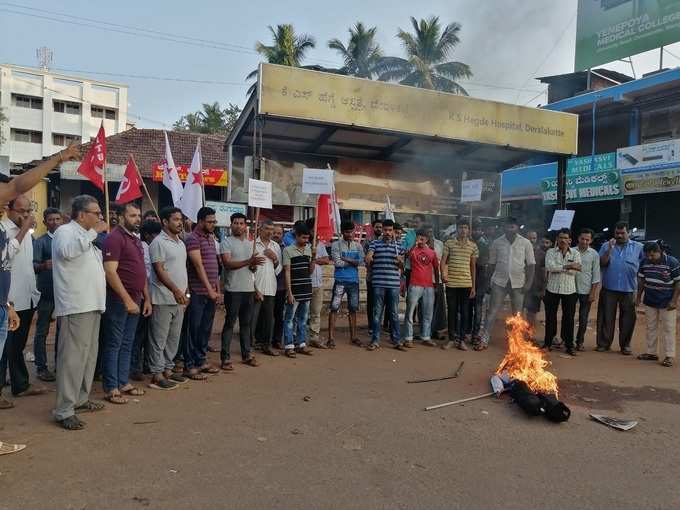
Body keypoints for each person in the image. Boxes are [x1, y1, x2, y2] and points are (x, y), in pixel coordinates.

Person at [52, 195, 108, 430]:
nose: (100, 217)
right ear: (82, 214)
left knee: (88, 358)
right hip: (76, 306)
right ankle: (64, 410)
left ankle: (81, 399)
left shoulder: (86, 237)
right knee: (73, 360)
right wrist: (94, 232)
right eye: (96, 213)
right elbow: (67, 252)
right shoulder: (66, 232)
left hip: (92, 305)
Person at [101, 203, 151, 404]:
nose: (137, 219)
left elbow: (141, 272)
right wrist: (127, 299)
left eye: (138, 215)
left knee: (128, 342)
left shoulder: (135, 239)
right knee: (114, 342)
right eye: (132, 215)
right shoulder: (114, 238)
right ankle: (111, 386)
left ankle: (123, 382)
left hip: (136, 297)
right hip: (119, 299)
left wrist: (146, 297)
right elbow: (110, 272)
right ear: (121, 217)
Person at [0, 195, 44, 401]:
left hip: (27, 298)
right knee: (4, 348)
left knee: (17, 346)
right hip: (9, 300)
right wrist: (25, 228)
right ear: (9, 209)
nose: (26, 215)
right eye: (21, 211)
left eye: (28, 211)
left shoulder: (27, 233)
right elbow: (6, 258)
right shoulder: (4, 230)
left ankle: (20, 384)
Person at [148, 207, 189, 390]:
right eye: (175, 219)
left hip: (179, 299)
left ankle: (168, 369)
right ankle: (157, 374)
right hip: (163, 298)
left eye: (181, 219)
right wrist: (175, 290)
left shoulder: (180, 242)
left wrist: (184, 292)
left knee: (173, 338)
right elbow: (159, 270)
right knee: (159, 338)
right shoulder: (158, 242)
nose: (180, 222)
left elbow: (181, 269)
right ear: (165, 222)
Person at [482, 217, 535, 347]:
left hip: (518, 283)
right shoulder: (497, 243)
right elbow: (491, 264)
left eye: (512, 226)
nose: (509, 229)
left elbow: (531, 265)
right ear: (503, 227)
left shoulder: (525, 243)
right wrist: (488, 282)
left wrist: (528, 284)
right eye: (507, 226)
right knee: (492, 312)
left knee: (517, 315)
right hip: (499, 282)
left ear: (517, 227)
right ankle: (484, 339)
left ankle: (517, 343)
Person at [220, 212, 263, 370]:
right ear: (231, 225)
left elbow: (252, 269)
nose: (238, 226)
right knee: (230, 323)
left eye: (241, 223)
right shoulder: (226, 243)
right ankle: (225, 358)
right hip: (233, 290)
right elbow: (228, 264)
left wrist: (253, 265)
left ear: (246, 226)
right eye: (235, 223)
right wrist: (249, 261)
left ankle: (247, 355)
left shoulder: (250, 244)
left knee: (246, 324)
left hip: (248, 289)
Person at [183, 207, 221, 380]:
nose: (213, 224)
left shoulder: (211, 238)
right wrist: (209, 289)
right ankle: (189, 365)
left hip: (211, 292)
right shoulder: (192, 239)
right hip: (198, 292)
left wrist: (216, 289)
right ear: (200, 221)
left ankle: (201, 360)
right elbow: (198, 266)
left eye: (214, 221)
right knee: (194, 329)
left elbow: (214, 266)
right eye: (210, 221)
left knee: (205, 329)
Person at [596, 221, 644, 355]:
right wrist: (610, 249)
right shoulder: (606, 245)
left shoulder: (639, 247)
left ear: (628, 232)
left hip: (629, 289)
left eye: (622, 233)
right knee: (606, 317)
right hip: (609, 288)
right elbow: (602, 263)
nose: (619, 235)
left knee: (628, 318)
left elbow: (645, 264)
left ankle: (625, 345)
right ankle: (604, 344)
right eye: (617, 233)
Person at [636, 242, 680, 367]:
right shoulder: (644, 262)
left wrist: (674, 300)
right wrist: (639, 297)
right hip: (650, 300)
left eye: (652, 255)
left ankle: (669, 356)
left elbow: (678, 283)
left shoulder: (672, 262)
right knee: (651, 327)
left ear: (659, 252)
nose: (650, 258)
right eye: (647, 255)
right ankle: (651, 353)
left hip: (667, 301)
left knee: (669, 329)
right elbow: (641, 280)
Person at [31, 207, 62, 382]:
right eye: (51, 219)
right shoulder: (41, 242)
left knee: (62, 332)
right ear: (45, 222)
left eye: (58, 219)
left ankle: (60, 364)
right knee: (42, 331)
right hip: (46, 293)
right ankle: (41, 367)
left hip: (64, 294)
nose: (55, 222)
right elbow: (33, 266)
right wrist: (44, 265)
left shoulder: (66, 240)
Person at [365, 219, 406, 351]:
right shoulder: (374, 243)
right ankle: (375, 340)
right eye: (385, 230)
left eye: (390, 230)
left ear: (393, 232)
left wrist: (400, 262)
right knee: (377, 313)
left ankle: (396, 340)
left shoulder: (399, 246)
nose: (387, 232)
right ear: (381, 230)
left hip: (393, 284)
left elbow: (402, 267)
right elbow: (368, 257)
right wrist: (369, 257)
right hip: (378, 284)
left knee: (393, 313)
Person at [130, 219, 161, 381]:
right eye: (156, 234)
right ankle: (134, 366)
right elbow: (144, 273)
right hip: (143, 296)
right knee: (138, 334)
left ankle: (148, 364)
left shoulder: (157, 246)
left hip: (156, 297)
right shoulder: (142, 248)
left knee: (151, 334)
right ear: (147, 235)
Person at [440, 218, 478, 350]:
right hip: (451, 283)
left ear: (468, 230)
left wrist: (473, 286)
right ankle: (451, 339)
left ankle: (461, 340)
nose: (463, 230)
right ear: (457, 229)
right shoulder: (449, 243)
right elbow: (443, 261)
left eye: (465, 228)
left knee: (465, 312)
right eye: (461, 227)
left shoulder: (473, 246)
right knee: (451, 311)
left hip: (466, 284)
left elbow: (473, 267)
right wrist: (443, 274)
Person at [543, 228, 581, 356]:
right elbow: (549, 267)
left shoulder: (575, 253)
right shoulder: (550, 252)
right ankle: (548, 343)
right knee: (550, 317)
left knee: (569, 318)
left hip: (569, 290)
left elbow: (576, 270)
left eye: (565, 238)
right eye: (560, 237)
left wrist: (560, 268)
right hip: (552, 289)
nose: (563, 240)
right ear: (557, 239)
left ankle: (569, 345)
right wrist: (567, 266)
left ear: (570, 240)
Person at [328, 221, 364, 348]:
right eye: (347, 232)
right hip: (340, 280)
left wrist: (346, 259)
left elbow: (361, 262)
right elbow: (337, 263)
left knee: (353, 308)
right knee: (334, 308)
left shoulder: (358, 246)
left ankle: (353, 337)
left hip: (353, 281)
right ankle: (330, 338)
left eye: (352, 231)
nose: (350, 234)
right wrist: (353, 262)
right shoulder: (335, 244)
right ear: (342, 232)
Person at [282, 223, 315, 357]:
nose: (306, 240)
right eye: (303, 238)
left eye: (307, 238)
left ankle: (301, 344)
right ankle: (289, 346)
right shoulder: (288, 250)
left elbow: (310, 271)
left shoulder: (309, 250)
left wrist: (314, 258)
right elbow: (287, 272)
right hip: (294, 291)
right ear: (296, 236)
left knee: (303, 319)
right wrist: (289, 292)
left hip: (306, 289)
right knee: (289, 319)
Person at [252, 219, 282, 356]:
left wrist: (275, 258)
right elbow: (250, 268)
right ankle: (248, 345)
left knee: (269, 319)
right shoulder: (253, 245)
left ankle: (266, 345)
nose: (270, 232)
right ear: (260, 230)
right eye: (267, 229)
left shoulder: (275, 246)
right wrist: (254, 288)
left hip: (270, 286)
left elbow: (278, 268)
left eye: (271, 229)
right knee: (252, 318)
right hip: (255, 286)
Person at [404, 229, 439, 347]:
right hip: (414, 284)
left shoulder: (432, 252)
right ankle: (408, 338)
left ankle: (426, 337)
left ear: (427, 239)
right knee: (410, 312)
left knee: (428, 313)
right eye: (419, 237)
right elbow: (407, 256)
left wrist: (437, 283)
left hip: (428, 285)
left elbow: (436, 268)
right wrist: (415, 243)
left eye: (423, 237)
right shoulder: (413, 251)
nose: (421, 239)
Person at [304, 217, 331, 348]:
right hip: (305, 283)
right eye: (313, 229)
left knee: (316, 312)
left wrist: (314, 260)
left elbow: (326, 260)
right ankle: (301, 338)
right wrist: (313, 260)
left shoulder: (319, 244)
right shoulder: (302, 244)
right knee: (303, 313)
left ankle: (314, 337)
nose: (315, 232)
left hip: (318, 284)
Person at [575, 228, 601, 351]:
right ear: (578, 238)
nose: (584, 241)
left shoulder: (594, 254)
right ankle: (566, 339)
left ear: (591, 240)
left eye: (587, 239)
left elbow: (596, 276)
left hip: (586, 291)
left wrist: (593, 293)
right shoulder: (571, 251)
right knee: (568, 316)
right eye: (582, 239)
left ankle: (579, 342)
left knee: (583, 318)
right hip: (570, 290)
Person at [524, 233, 551, 335]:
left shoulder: (541, 254)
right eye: (529, 238)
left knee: (532, 313)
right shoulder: (521, 251)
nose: (531, 240)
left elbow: (545, 273)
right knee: (519, 312)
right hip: (521, 287)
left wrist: (543, 289)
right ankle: (518, 335)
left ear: (536, 239)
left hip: (535, 288)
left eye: (534, 238)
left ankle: (529, 335)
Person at [470, 221, 490, 343]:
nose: (476, 231)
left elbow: (483, 262)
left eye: (478, 229)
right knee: (466, 308)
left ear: (481, 231)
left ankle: (475, 334)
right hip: (467, 279)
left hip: (480, 281)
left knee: (477, 309)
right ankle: (465, 332)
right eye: (474, 229)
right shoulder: (468, 243)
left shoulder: (484, 245)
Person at [364, 219, 383, 336]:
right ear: (373, 227)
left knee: (380, 302)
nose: (379, 229)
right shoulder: (368, 241)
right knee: (371, 302)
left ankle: (378, 325)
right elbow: (366, 258)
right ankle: (371, 326)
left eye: (381, 227)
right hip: (371, 276)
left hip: (383, 276)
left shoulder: (386, 241)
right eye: (377, 227)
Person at [271, 224, 287, 350]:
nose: (276, 235)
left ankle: (276, 340)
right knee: (264, 314)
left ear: (283, 235)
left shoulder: (286, 249)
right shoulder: (266, 247)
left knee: (278, 315)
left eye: (279, 233)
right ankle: (261, 339)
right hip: (266, 286)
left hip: (281, 287)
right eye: (274, 232)